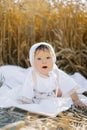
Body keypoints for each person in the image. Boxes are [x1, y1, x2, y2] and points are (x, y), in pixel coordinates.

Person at [17, 42, 86, 108]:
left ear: (53, 58)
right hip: (37, 94)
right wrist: (26, 102)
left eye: (48, 58)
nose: (44, 62)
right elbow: (27, 89)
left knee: (60, 92)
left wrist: (76, 100)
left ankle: (56, 89)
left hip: (52, 92)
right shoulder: (33, 75)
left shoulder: (55, 72)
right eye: (39, 59)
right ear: (33, 62)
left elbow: (69, 84)